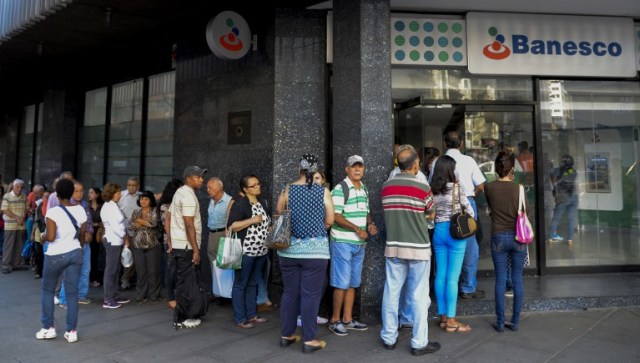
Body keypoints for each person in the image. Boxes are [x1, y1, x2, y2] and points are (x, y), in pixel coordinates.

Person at [380, 147, 441, 356]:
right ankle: (418, 342)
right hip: (418, 248)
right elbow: (431, 214)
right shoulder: (423, 187)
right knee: (419, 294)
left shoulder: (386, 187)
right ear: (415, 164)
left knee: (391, 291)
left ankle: (388, 337)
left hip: (394, 247)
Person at [276, 154, 334, 354]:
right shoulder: (322, 191)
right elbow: (330, 220)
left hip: (288, 250)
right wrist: (316, 229)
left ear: (298, 169)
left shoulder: (287, 189)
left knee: (290, 293)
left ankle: (287, 335)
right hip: (315, 252)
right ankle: (309, 339)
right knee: (310, 295)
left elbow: (279, 215)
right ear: (315, 169)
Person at [328, 155, 378, 336]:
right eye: (353, 167)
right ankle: (335, 320)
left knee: (353, 282)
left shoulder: (363, 188)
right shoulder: (341, 189)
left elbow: (366, 212)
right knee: (341, 283)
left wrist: (370, 224)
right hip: (342, 241)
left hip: (359, 243)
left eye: (360, 167)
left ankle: (347, 319)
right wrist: (357, 228)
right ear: (346, 169)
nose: (357, 170)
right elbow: (335, 216)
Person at [36, 178, 88, 343]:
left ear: (56, 194)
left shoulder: (53, 212)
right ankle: (71, 331)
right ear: (72, 192)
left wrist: (43, 236)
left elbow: (50, 236)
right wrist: (77, 247)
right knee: (72, 294)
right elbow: (83, 236)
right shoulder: (80, 210)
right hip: (75, 253)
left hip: (56, 255)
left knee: (48, 290)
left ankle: (48, 328)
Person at [484, 151, 528, 332]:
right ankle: (515, 322)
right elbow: (525, 212)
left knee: (500, 279)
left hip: (498, 236)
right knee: (517, 279)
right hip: (518, 237)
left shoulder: (489, 187)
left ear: (496, 168)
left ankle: (500, 322)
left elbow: (491, 208)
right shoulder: (519, 188)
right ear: (512, 169)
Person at [431, 155, 475, 332]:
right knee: (452, 277)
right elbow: (470, 211)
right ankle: (451, 320)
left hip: (438, 232)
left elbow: (429, 212)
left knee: (440, 274)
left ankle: (442, 316)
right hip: (455, 232)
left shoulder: (432, 189)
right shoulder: (457, 188)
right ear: (451, 169)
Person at [442, 131, 486, 299]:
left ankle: (449, 286)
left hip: (443, 204)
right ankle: (467, 287)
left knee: (446, 244)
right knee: (469, 246)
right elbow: (481, 186)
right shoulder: (469, 161)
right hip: (466, 203)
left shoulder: (439, 161)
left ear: (445, 143)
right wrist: (470, 196)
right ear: (461, 144)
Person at [227, 174, 271, 329]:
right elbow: (232, 225)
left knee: (253, 283)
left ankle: (252, 314)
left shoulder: (262, 202)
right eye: (253, 185)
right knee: (241, 283)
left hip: (261, 250)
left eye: (258, 183)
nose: (258, 186)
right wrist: (252, 220)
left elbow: (266, 223)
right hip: (245, 250)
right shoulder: (241, 204)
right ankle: (240, 318)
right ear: (245, 189)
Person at [170, 166, 207, 329]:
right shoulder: (188, 196)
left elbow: (168, 217)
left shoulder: (179, 193)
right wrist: (196, 249)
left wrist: (170, 241)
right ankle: (182, 317)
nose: (202, 180)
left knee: (184, 281)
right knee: (186, 283)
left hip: (179, 245)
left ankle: (184, 315)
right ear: (189, 178)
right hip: (186, 247)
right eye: (198, 177)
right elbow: (189, 223)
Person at [59, 181, 94, 307]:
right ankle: (64, 299)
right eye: (76, 191)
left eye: (81, 191)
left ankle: (81, 295)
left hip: (85, 243)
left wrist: (89, 232)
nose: (79, 193)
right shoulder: (66, 205)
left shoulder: (85, 204)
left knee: (85, 270)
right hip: (72, 243)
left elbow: (89, 222)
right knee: (70, 272)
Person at [100, 182, 131, 309]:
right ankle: (108, 298)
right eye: (118, 193)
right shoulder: (109, 207)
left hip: (116, 240)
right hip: (113, 240)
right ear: (111, 194)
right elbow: (116, 227)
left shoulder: (112, 205)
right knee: (111, 270)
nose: (120, 195)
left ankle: (114, 294)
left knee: (116, 269)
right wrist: (125, 237)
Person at [128, 191, 162, 304]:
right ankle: (141, 295)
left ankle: (154, 295)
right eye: (142, 199)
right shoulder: (136, 211)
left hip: (152, 245)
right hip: (137, 246)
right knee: (141, 272)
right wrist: (143, 223)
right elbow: (130, 226)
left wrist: (139, 221)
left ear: (151, 200)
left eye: (146, 199)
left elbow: (153, 224)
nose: (143, 201)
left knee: (153, 271)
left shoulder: (154, 211)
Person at [205, 177, 232, 302]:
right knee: (213, 264)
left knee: (224, 264)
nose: (207, 190)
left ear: (219, 187)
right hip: (211, 234)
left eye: (210, 187)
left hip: (223, 233)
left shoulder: (229, 201)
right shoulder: (211, 201)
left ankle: (226, 293)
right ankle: (217, 292)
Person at [158, 178, 183, 310]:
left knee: (179, 269)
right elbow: (167, 224)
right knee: (171, 269)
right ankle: (170, 297)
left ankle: (178, 295)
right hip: (171, 242)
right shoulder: (165, 206)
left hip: (182, 240)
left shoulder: (179, 204)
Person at [549, 154, 578, 245]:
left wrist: (555, 186)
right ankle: (570, 239)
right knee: (571, 219)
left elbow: (551, 173)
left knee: (556, 218)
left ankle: (550, 238)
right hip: (573, 196)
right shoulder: (573, 171)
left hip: (562, 196)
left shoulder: (557, 170)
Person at [118, 177, 141, 290]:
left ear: (138, 186)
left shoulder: (141, 197)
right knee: (121, 256)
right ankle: (121, 279)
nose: (131, 187)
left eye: (134, 185)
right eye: (129, 185)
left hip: (135, 232)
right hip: (121, 231)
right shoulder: (121, 196)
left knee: (132, 257)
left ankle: (125, 278)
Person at [1, 178, 28, 274]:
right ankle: (6, 264)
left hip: (21, 224)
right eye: (17, 187)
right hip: (10, 225)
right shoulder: (7, 196)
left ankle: (17, 264)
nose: (19, 189)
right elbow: (4, 209)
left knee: (19, 245)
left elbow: (26, 208)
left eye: (21, 187)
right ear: (13, 186)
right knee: (9, 245)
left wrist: (23, 217)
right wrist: (17, 217)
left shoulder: (24, 196)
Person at [88, 187, 105, 287]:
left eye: (91, 193)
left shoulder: (102, 206)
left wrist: (99, 224)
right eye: (89, 193)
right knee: (91, 256)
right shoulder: (86, 206)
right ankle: (92, 277)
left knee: (98, 256)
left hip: (99, 233)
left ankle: (97, 277)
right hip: (90, 233)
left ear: (97, 194)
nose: (89, 194)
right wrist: (93, 224)